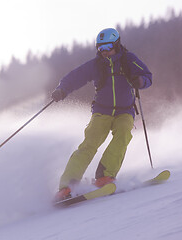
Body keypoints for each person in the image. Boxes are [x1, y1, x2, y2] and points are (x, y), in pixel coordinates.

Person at [52, 28, 152, 202]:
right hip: (101, 111)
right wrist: (62, 89)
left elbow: (147, 75)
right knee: (89, 144)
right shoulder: (97, 64)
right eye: (100, 48)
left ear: (116, 44)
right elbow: (76, 76)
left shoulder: (128, 60)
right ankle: (66, 186)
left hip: (125, 111)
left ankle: (105, 176)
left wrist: (140, 81)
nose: (104, 51)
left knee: (122, 136)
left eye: (107, 47)